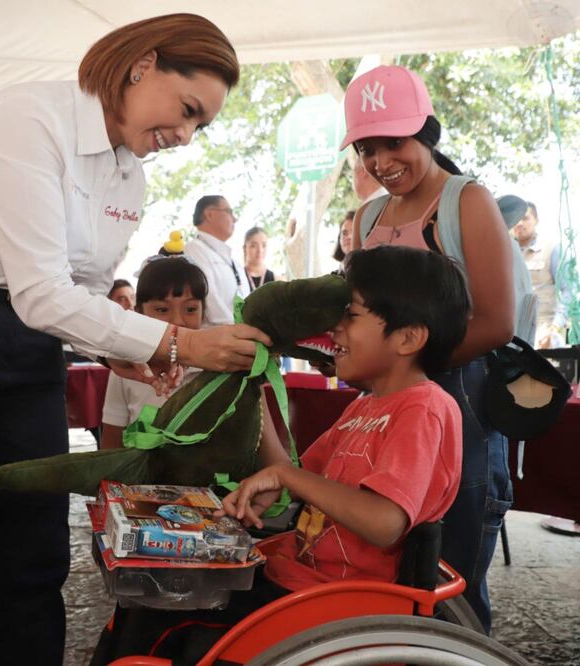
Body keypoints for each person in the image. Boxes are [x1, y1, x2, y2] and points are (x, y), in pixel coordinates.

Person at [0, 14, 271, 666]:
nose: (186, 136)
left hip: (27, 345)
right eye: (187, 111)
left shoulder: (130, 176)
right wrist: (178, 344)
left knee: (38, 554)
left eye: (201, 127)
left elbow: (78, 293)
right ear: (142, 64)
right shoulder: (28, 118)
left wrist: (124, 350)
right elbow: (43, 292)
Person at [91, 245, 470, 663]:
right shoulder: (365, 407)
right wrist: (254, 388)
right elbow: (289, 472)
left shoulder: (423, 408)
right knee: (142, 607)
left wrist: (287, 479)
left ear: (408, 337)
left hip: (338, 602)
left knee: (170, 627)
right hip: (298, 578)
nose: (335, 330)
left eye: (350, 316)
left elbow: (385, 523)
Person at [345, 65, 515, 633]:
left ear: (428, 132)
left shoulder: (465, 201)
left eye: (394, 141)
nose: (381, 160)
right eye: (368, 147)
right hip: (386, 404)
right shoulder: (368, 217)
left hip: (458, 400)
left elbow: (496, 322)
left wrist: (410, 367)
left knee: (453, 574)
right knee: (389, 558)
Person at [100, 257, 206, 449]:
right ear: (139, 313)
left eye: (190, 309)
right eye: (162, 309)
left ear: (204, 312)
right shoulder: (125, 368)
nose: (178, 322)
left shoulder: (218, 367)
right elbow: (111, 447)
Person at [185, 195, 250, 327]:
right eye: (229, 212)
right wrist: (237, 330)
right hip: (217, 338)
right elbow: (209, 297)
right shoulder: (194, 249)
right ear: (210, 214)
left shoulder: (233, 261)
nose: (235, 219)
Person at [512, 202, 567, 348]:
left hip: (544, 334)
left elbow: (566, 290)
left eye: (525, 218)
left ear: (536, 220)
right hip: (512, 334)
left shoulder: (551, 249)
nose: (520, 223)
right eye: (516, 219)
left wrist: (554, 328)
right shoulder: (506, 252)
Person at [242, 226, 279, 291]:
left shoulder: (276, 280)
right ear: (245, 248)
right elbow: (235, 301)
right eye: (253, 246)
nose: (260, 250)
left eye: (264, 245)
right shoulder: (237, 278)